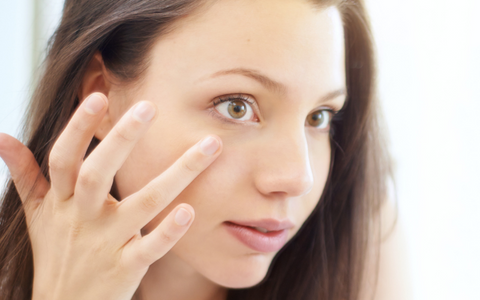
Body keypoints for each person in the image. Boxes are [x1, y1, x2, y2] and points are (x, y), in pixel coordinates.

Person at [0, 0, 407, 299]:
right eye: (237, 106)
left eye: (319, 117)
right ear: (101, 94)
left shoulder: (358, 232)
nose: (297, 178)